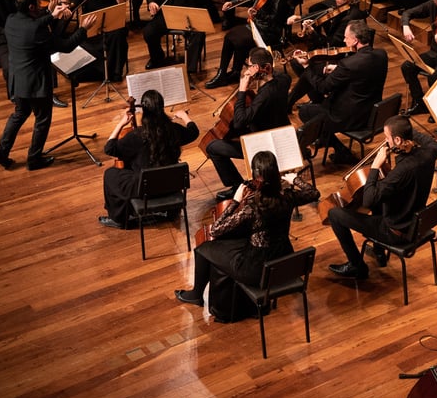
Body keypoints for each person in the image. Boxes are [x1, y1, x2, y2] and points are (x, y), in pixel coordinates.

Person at [174, 150, 320, 315]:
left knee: (203, 247)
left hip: (255, 270)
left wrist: (235, 201)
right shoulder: (288, 198)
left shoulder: (253, 207)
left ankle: (195, 295)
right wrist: (295, 179)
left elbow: (215, 229)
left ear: (257, 177)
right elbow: (314, 193)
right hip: (282, 259)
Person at [0, 0, 96, 171]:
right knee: (42, 119)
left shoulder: (11, 20)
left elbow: (31, 25)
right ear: (31, 6)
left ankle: (1, 153)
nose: (41, 3)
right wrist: (83, 29)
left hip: (18, 80)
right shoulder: (37, 31)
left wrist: (50, 14)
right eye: (39, 2)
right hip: (36, 83)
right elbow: (66, 46)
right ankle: (34, 159)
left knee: (19, 115)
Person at [326, 115, 437, 280]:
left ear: (398, 140)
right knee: (381, 198)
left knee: (335, 214)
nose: (385, 141)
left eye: (387, 138)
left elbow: (368, 200)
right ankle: (379, 251)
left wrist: (375, 166)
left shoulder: (400, 172)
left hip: (396, 232)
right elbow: (428, 140)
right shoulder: (431, 152)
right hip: (416, 223)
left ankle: (357, 266)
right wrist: (405, 131)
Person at [98, 89, 199, 229]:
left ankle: (119, 219)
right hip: (171, 184)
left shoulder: (136, 136)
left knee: (111, 174)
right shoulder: (173, 129)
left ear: (144, 110)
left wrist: (121, 124)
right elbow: (194, 132)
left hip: (146, 189)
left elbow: (109, 148)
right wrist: (184, 116)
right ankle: (172, 211)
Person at [294, 19, 388, 164]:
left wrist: (307, 67)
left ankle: (341, 150)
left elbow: (324, 87)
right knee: (319, 111)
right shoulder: (382, 55)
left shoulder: (348, 64)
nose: (344, 40)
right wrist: (338, 71)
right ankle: (329, 142)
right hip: (371, 113)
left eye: (346, 37)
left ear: (355, 40)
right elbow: (360, 73)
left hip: (349, 118)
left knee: (305, 111)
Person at [204, 47, 292, 201]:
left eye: (252, 67)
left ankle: (238, 187)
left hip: (265, 147)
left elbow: (239, 122)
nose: (249, 70)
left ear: (264, 68)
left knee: (213, 147)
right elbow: (274, 74)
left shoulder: (265, 96)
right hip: (281, 136)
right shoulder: (284, 79)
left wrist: (242, 89)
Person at [284, 0, 367, 110]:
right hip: (334, 49)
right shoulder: (342, 7)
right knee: (298, 62)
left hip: (343, 56)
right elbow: (322, 14)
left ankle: (290, 102)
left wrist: (313, 33)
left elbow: (333, 43)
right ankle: (316, 99)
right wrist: (301, 18)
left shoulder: (351, 16)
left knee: (306, 66)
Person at [205, 0, 292, 89]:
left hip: (269, 32)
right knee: (231, 36)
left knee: (237, 38)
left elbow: (276, 19)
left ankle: (231, 72)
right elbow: (252, 0)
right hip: (258, 26)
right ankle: (225, 73)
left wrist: (258, 13)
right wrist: (233, 3)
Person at [60, 0, 130, 83]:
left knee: (118, 35)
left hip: (109, 23)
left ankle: (112, 72)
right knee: (76, 44)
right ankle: (96, 71)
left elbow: (121, 8)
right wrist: (64, 4)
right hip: (89, 23)